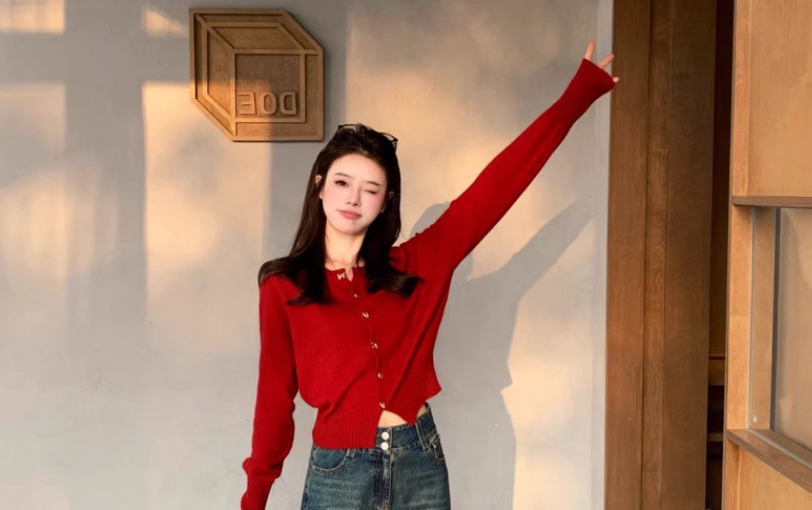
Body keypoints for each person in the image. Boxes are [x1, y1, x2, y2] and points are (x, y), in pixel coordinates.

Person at [241, 42, 618, 510]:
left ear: (385, 202)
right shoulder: (284, 287)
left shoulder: (419, 264)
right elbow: (274, 399)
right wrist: (254, 498)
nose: (353, 198)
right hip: (338, 473)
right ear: (319, 186)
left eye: (370, 189)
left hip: (420, 460)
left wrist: (576, 98)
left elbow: (497, 186)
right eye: (341, 182)